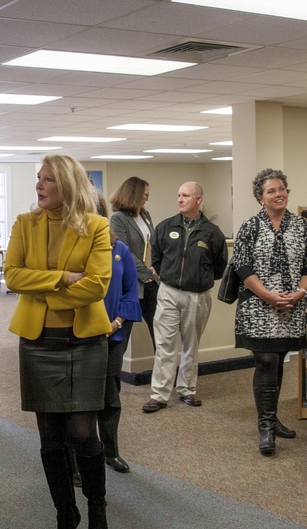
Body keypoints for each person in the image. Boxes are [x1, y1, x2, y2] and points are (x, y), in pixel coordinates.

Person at [4, 154, 112, 529]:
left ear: (67, 185)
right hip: (38, 343)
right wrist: (63, 278)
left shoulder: (98, 226)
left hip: (85, 342)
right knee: (51, 440)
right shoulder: (24, 224)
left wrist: (40, 286)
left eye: (48, 179)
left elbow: (97, 287)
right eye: (38, 178)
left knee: (83, 433)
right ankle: (64, 517)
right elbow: (12, 275)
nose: (39, 185)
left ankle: (97, 507)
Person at [231, 168, 307, 454]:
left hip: (291, 306)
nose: (279, 194)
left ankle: (273, 417)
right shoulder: (250, 227)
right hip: (258, 307)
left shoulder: (302, 226)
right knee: (266, 359)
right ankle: (265, 427)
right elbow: (242, 268)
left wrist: (300, 293)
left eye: (282, 189)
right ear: (260, 198)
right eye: (272, 191)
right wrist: (268, 296)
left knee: (279, 360)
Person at [141, 182, 228, 413]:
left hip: (197, 296)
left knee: (191, 345)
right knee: (164, 345)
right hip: (169, 292)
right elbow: (156, 257)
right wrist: (167, 275)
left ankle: (187, 390)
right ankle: (159, 394)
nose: (180, 199)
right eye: (179, 195)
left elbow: (220, 267)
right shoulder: (165, 226)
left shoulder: (212, 233)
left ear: (198, 199)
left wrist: (199, 277)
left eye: (186, 196)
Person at [96, 196, 143, 472]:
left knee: (110, 394)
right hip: (81, 336)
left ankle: (110, 451)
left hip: (114, 333)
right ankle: (83, 454)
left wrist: (116, 323)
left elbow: (129, 291)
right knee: (81, 399)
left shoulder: (119, 249)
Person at [109, 177, 159, 346]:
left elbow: (152, 244)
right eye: (144, 194)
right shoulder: (118, 218)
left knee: (160, 332)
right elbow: (125, 251)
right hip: (132, 283)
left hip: (151, 283)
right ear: (134, 195)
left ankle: (163, 372)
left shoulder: (145, 215)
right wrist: (147, 273)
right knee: (123, 334)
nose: (147, 198)